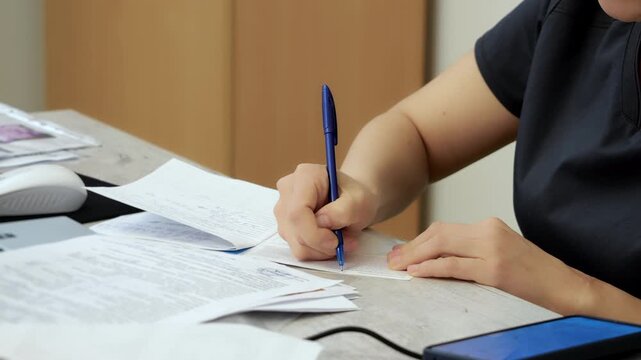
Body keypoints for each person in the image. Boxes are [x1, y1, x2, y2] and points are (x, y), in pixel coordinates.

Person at [273, 0, 641, 324]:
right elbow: (416, 131)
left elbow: (569, 293)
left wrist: (575, 294)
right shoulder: (571, 13)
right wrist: (360, 188)